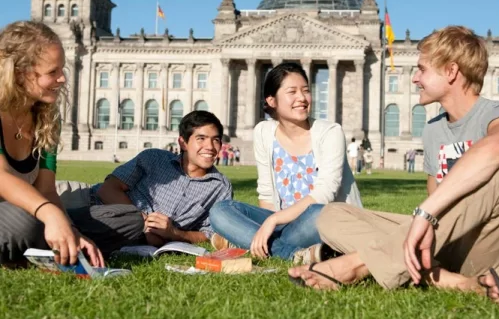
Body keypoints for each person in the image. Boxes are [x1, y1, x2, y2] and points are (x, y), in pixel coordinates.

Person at [289, 26, 499, 304]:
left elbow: (496, 148)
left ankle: (355, 265)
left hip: (497, 252)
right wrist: (426, 216)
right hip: (450, 247)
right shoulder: (433, 130)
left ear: (451, 71)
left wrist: (425, 213)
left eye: (422, 69)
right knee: (330, 215)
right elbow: (439, 207)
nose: (414, 78)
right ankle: (451, 280)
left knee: (496, 176)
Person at [209, 62, 363, 263]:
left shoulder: (330, 132)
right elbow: (266, 192)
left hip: (318, 220)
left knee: (319, 213)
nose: (302, 98)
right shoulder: (263, 132)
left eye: (306, 91)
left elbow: (325, 194)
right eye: (292, 92)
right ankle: (294, 253)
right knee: (220, 211)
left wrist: (273, 220)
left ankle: (247, 240)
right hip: (284, 224)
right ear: (271, 100)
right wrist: (272, 220)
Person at [0, 21, 103, 268]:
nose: (63, 78)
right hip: (17, 214)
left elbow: (46, 190)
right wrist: (50, 214)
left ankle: (58, 244)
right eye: (52, 71)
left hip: (31, 209)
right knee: (27, 221)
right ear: (20, 73)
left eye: (62, 69)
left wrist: (71, 229)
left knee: (126, 220)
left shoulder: (47, 119)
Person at [79, 111, 234, 252]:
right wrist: (144, 223)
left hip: (124, 234)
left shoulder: (220, 188)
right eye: (201, 138)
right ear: (183, 143)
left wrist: (174, 233)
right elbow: (108, 190)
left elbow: (210, 235)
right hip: (87, 200)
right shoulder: (154, 158)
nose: (210, 147)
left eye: (216, 140)